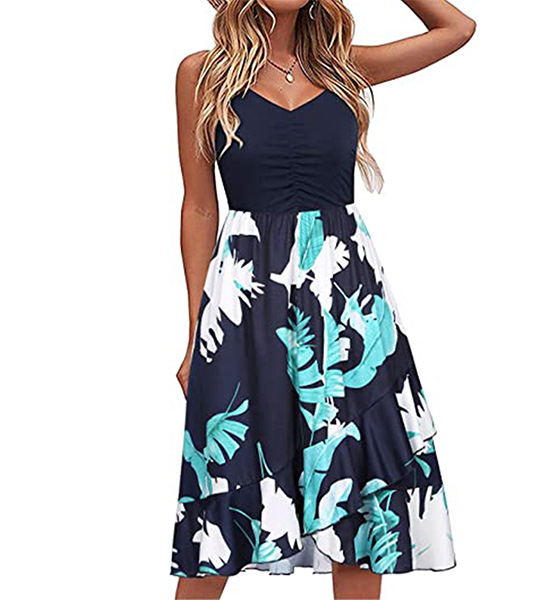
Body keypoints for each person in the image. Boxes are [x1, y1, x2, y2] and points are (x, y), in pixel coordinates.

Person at [171, 1, 475, 598]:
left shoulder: (345, 66)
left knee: (358, 489)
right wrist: (195, 334)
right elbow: (200, 207)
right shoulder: (201, 73)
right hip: (246, 301)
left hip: (348, 303)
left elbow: (457, 28)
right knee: (224, 492)